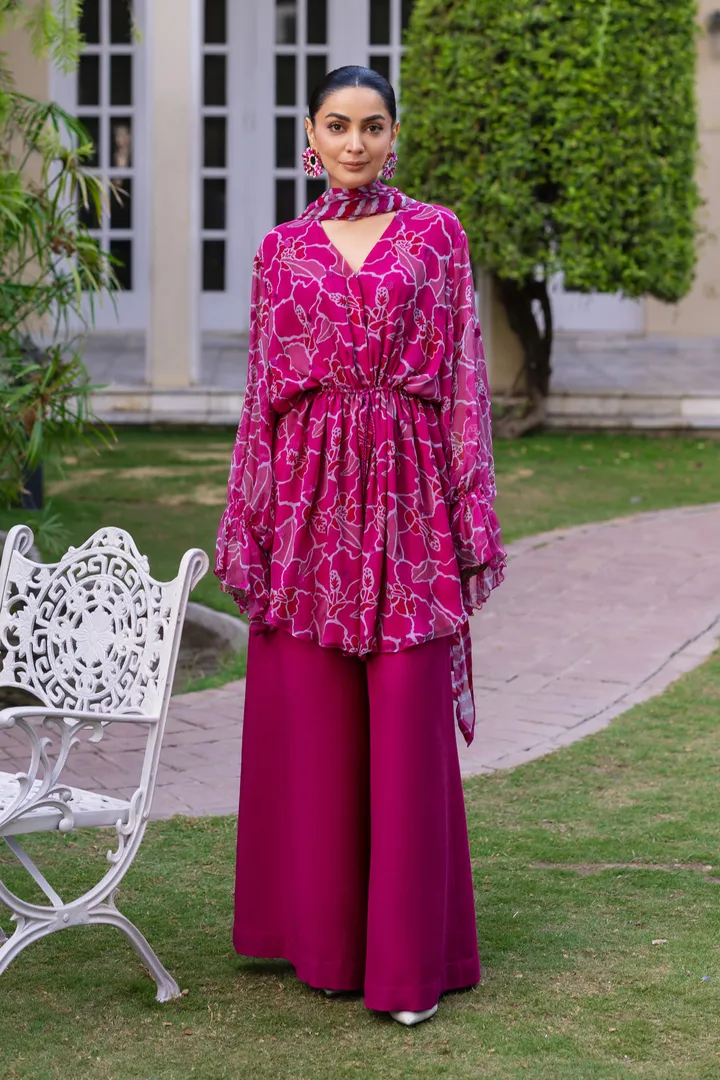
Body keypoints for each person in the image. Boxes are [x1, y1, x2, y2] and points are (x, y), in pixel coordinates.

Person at [215, 66, 506, 1027]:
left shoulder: (436, 234)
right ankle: (328, 947)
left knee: (408, 721)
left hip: (409, 496)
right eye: (337, 125)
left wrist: (470, 511)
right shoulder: (281, 249)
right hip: (306, 499)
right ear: (310, 134)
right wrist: (251, 518)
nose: (354, 143)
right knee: (316, 722)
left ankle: (411, 964)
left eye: (372, 126)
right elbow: (262, 394)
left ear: (394, 135)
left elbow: (463, 378)